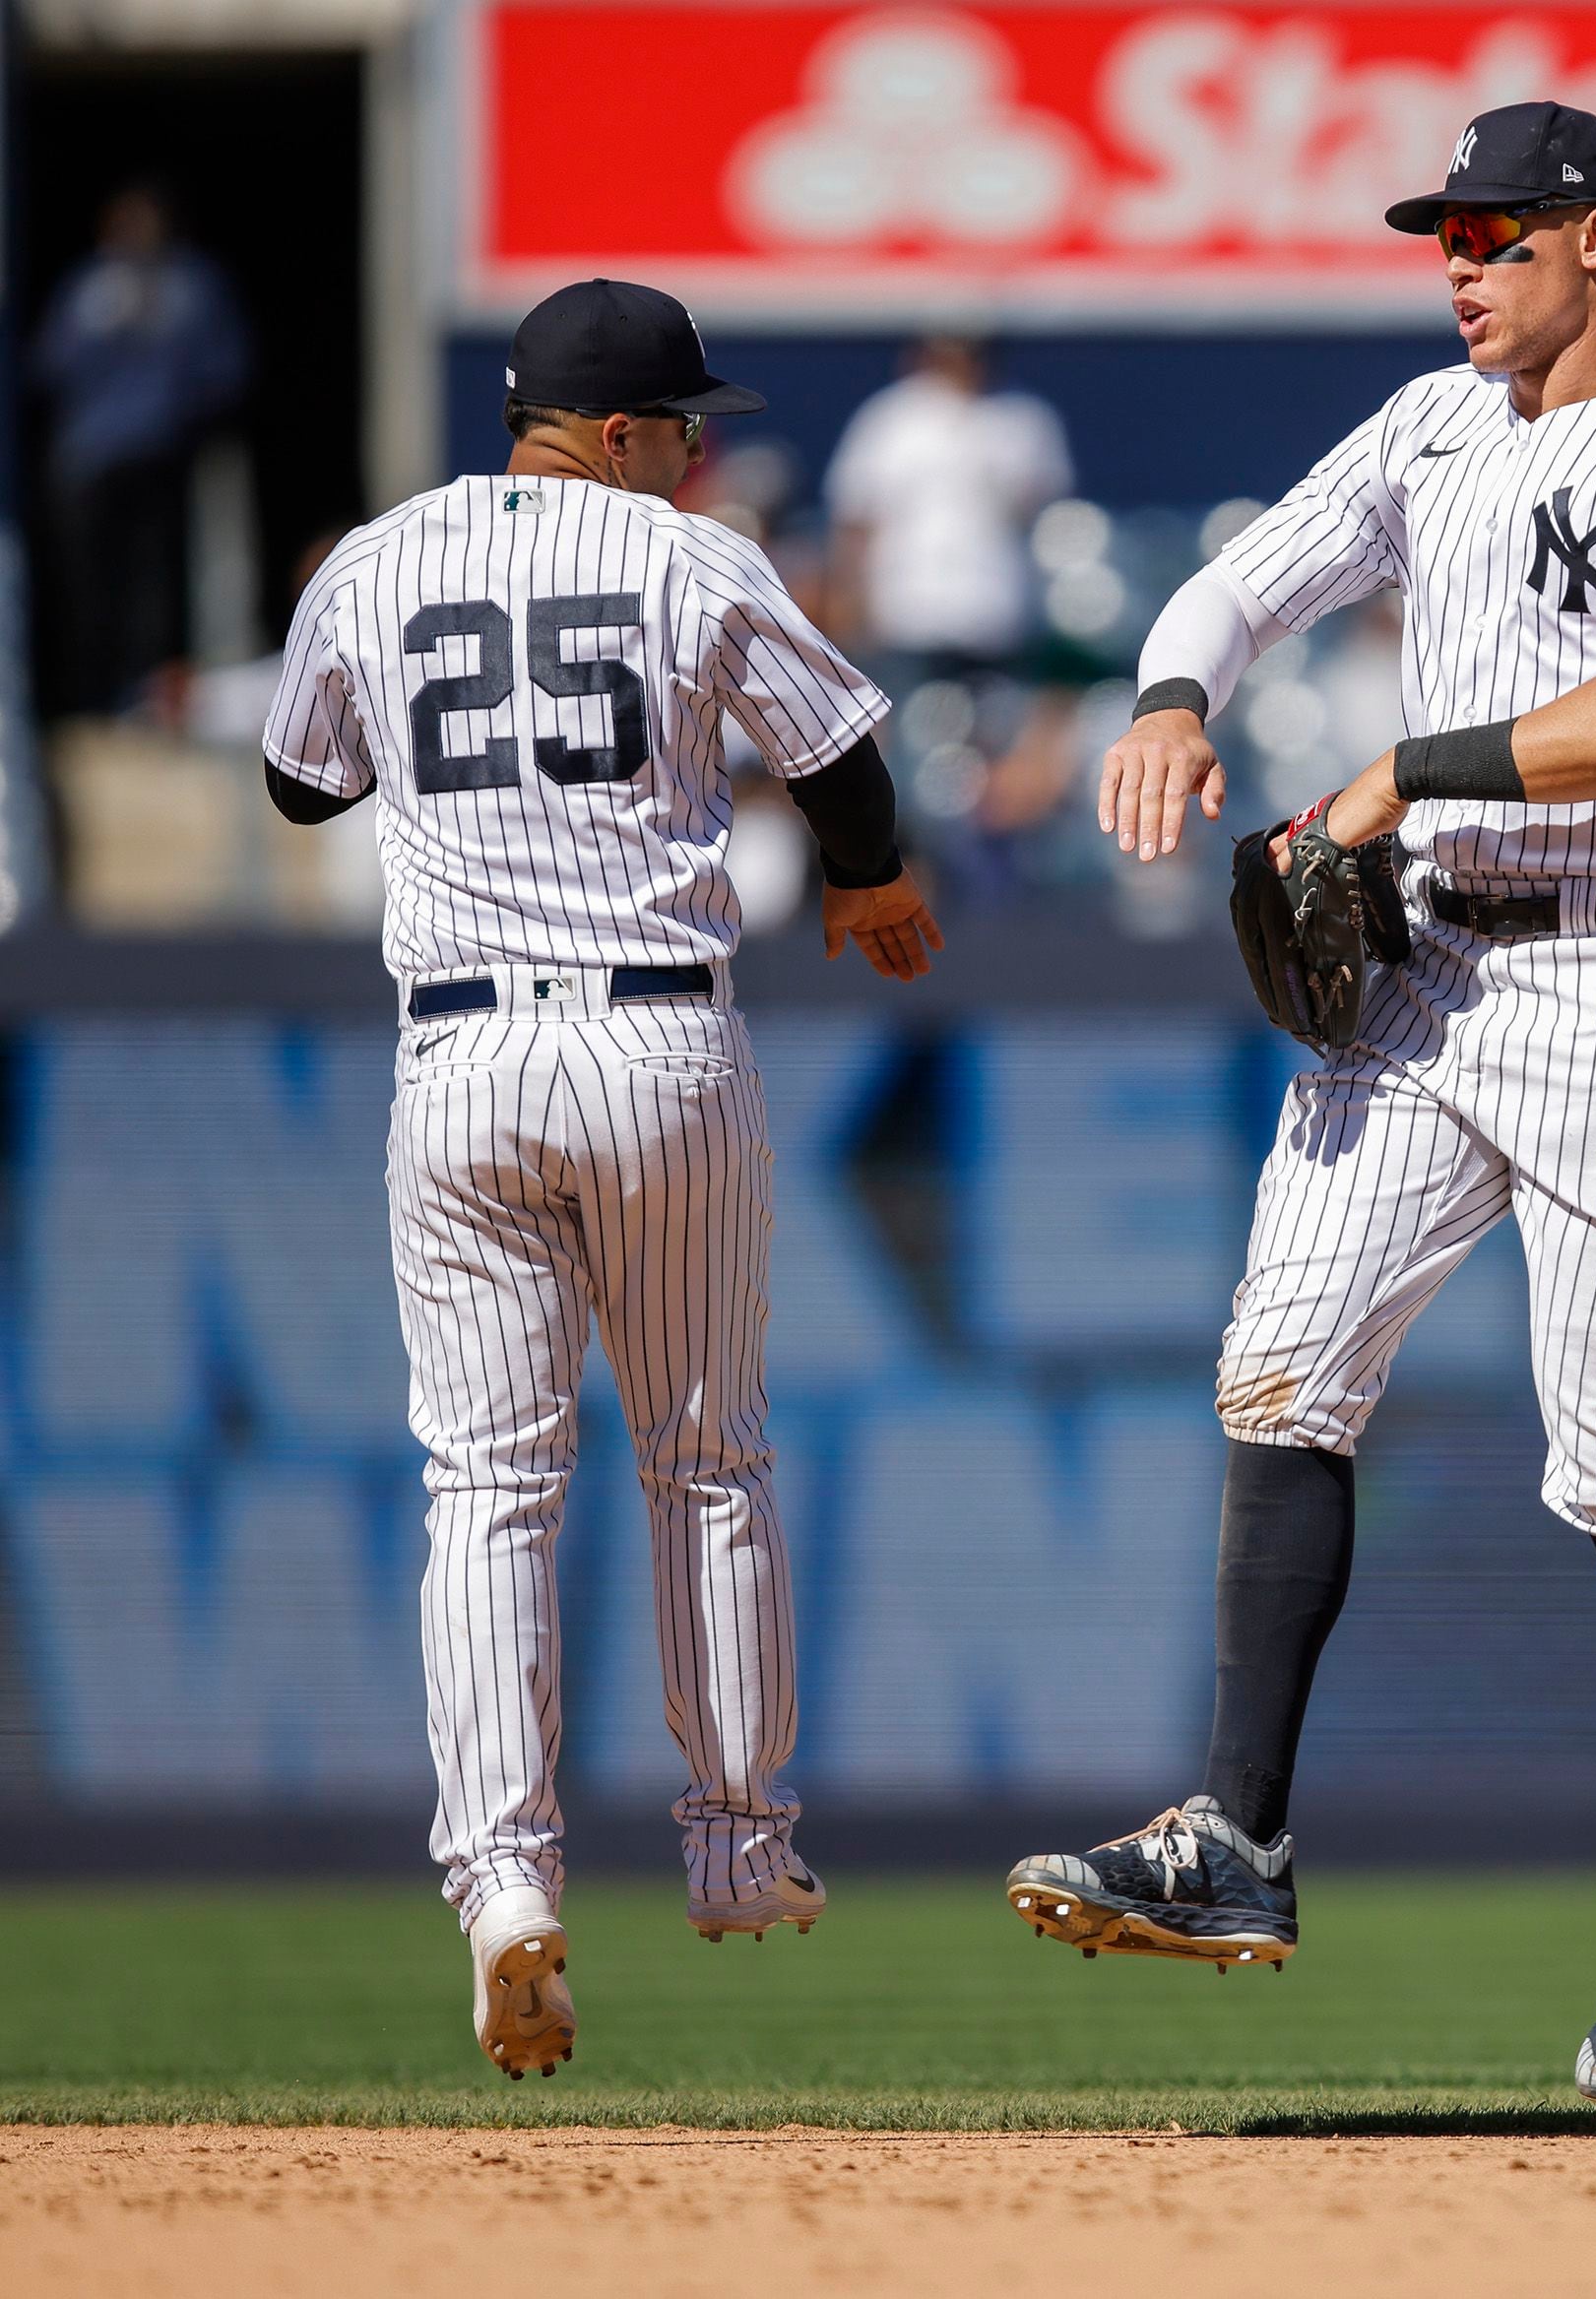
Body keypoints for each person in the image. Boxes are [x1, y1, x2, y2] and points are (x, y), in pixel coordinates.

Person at [1001, 100, 1596, 2108]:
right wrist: (1174, 693)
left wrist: (1396, 771)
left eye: (1500, 232)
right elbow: (1237, 587)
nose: (1460, 261)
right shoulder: (1430, 426)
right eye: (1446, 232)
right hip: (1434, 974)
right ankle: (1236, 1841)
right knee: (1278, 1370)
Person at [258, 278, 945, 2082]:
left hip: (463, 1054)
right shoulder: (691, 559)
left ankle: (501, 1890)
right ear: (622, 432)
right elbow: (845, 760)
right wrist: (871, 879)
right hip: (657, 1044)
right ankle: (737, 1845)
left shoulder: (374, 558)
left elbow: (298, 789)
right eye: (683, 423)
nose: (696, 447)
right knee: (704, 1456)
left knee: (485, 1484)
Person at [29, 182, 250, 716]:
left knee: (157, 592)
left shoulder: (193, 285)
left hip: (159, 458)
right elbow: (46, 367)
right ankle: (89, 701)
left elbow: (229, 370)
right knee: (88, 589)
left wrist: (175, 411)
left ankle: (145, 702)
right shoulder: (87, 288)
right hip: (88, 464)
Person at [822, 334, 1075, 678]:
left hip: (996, 610)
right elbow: (855, 517)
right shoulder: (890, 418)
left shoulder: (1024, 421)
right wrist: (850, 600)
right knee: (906, 718)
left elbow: (1052, 521)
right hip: (905, 608)